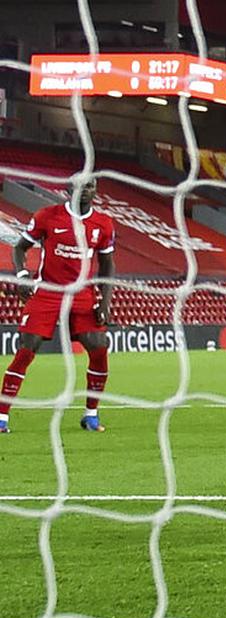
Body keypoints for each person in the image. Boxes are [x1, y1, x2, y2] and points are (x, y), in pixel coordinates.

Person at [1, 177, 115, 434]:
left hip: (81, 293)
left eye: (91, 186)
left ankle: (91, 415)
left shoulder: (103, 224)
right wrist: (21, 276)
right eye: (81, 186)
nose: (86, 190)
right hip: (48, 291)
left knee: (99, 347)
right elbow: (19, 249)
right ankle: (1, 417)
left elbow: (108, 265)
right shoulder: (47, 216)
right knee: (27, 349)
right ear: (67, 189)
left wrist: (105, 301)